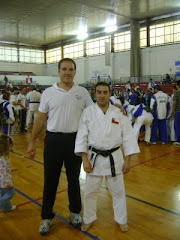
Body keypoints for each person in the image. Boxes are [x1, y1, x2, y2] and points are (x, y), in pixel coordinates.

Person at [27, 58, 93, 235]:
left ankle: (75, 212)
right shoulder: (48, 93)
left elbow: (93, 114)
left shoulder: (82, 92)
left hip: (75, 141)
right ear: (59, 71)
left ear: (75, 72)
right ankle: (47, 217)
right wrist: (32, 141)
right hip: (53, 141)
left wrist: (114, 108)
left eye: (71, 69)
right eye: (64, 69)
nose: (67, 72)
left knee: (74, 180)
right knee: (50, 180)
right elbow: (40, 118)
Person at [75, 82, 140, 232]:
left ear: (110, 94)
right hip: (93, 158)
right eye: (99, 92)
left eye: (105, 92)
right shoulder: (88, 112)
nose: (102, 95)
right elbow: (82, 137)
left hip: (115, 158)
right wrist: (84, 160)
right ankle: (88, 219)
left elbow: (128, 137)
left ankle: (121, 219)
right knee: (90, 193)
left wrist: (128, 160)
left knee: (118, 192)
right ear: (95, 94)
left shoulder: (118, 113)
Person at [0, 135, 16, 212]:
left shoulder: (2, 157)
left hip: (1, 183)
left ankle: (6, 207)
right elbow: (3, 174)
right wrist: (7, 183)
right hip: (4, 183)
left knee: (2, 194)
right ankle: (2, 204)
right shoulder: (3, 160)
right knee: (10, 194)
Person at [172, 80, 180, 145]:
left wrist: (172, 111)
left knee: (177, 126)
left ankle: (179, 140)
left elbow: (174, 103)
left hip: (178, 111)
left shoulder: (177, 93)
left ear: (177, 85)